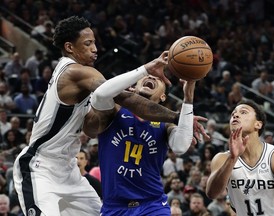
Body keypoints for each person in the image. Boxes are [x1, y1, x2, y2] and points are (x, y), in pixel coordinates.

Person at [12, 16, 187, 216]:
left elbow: (96, 119)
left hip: (69, 171)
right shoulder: (73, 71)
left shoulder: (87, 74)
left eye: (94, 42)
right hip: (39, 168)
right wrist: (175, 115)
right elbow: (123, 98)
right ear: (70, 47)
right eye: (88, 44)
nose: (95, 48)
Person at [83, 72, 209, 215]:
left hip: (152, 205)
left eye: (160, 79)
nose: (153, 77)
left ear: (163, 96)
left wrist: (188, 98)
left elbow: (180, 147)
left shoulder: (165, 124)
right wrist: (142, 69)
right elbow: (100, 94)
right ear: (133, 88)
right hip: (115, 207)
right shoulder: (114, 111)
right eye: (148, 75)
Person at [206, 99, 274, 215]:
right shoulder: (222, 159)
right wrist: (232, 159)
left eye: (243, 112)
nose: (235, 115)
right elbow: (212, 193)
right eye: (233, 113)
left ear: (258, 124)